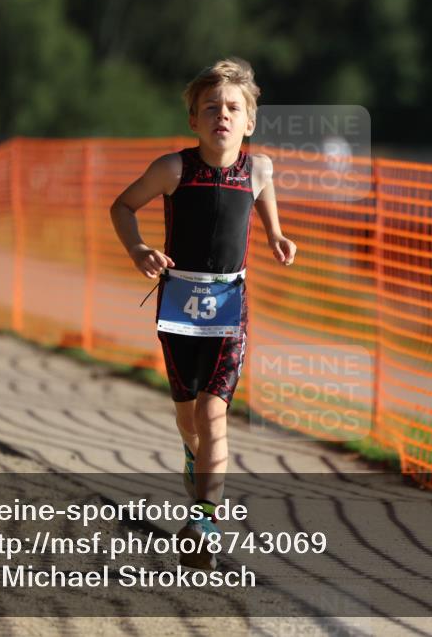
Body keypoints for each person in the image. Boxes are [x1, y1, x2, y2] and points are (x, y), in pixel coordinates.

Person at [110, 58, 296, 570]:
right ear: (193, 119)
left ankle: (206, 521)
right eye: (210, 107)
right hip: (178, 311)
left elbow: (263, 195)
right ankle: (194, 458)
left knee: (215, 413)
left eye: (233, 108)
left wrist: (276, 233)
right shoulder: (173, 170)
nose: (223, 115)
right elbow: (122, 207)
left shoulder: (258, 169)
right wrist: (138, 250)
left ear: (249, 120)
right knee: (189, 417)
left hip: (230, 311)